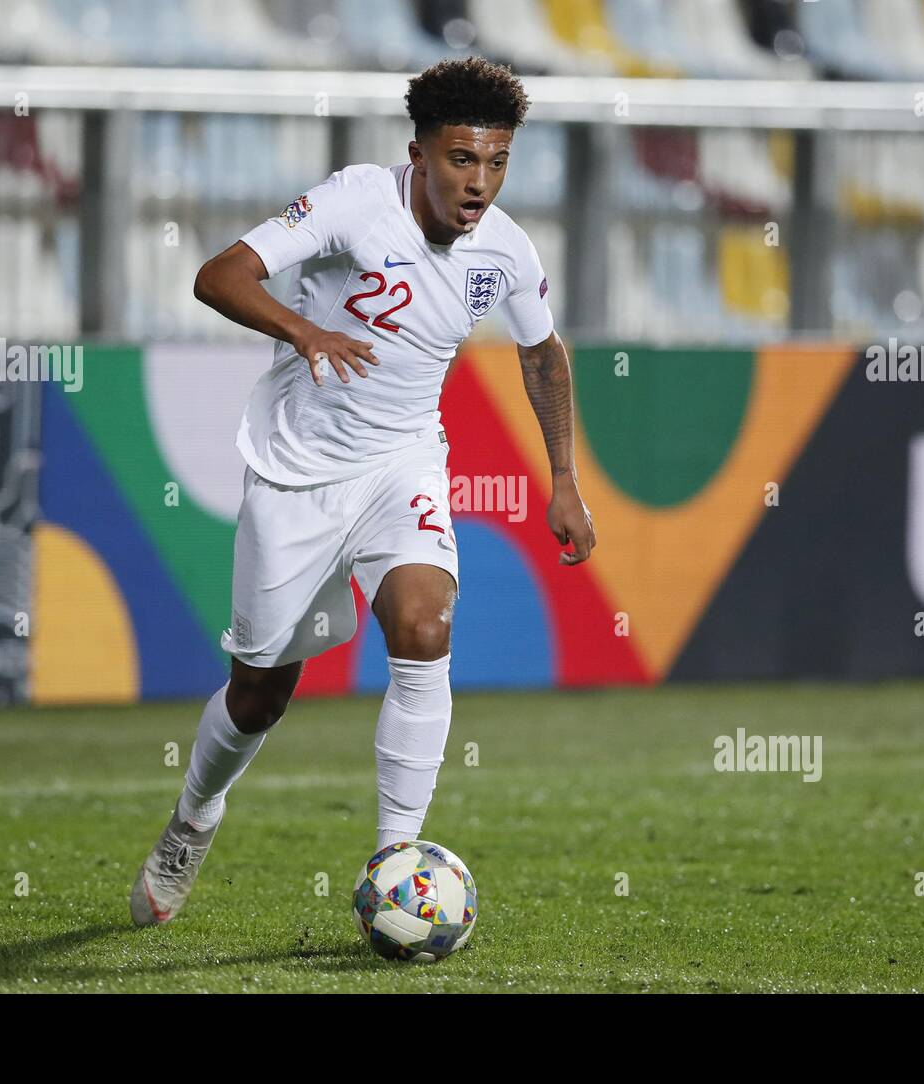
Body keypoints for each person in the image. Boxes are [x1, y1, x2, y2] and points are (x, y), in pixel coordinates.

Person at [130, 56, 597, 926]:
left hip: (404, 462)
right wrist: (307, 331)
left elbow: (543, 353)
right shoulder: (354, 201)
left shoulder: (505, 250)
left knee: (425, 626)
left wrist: (563, 477)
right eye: (463, 160)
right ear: (418, 152)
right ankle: (194, 816)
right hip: (296, 473)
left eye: (497, 163)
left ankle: (397, 867)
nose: (480, 184)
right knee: (261, 691)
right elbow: (219, 275)